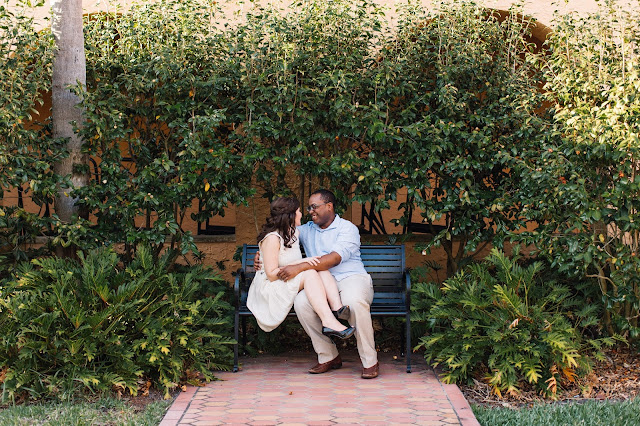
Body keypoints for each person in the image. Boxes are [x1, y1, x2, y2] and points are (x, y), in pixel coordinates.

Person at [257, 189, 379, 379]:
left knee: (354, 303)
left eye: (314, 207)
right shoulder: (306, 229)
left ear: (329, 206)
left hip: (350, 278)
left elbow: (334, 259)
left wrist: (300, 267)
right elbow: (277, 237)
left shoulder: (347, 228)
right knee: (301, 304)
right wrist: (260, 257)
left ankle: (370, 360)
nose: (310, 211)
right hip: (319, 282)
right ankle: (329, 356)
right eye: (308, 208)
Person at [246, 197, 355, 340]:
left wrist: (303, 263)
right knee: (310, 272)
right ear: (290, 215)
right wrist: (302, 263)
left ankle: (337, 309)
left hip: (285, 279)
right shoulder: (272, 238)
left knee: (318, 266)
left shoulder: (294, 232)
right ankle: (328, 321)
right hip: (270, 287)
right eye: (298, 211)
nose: (302, 214)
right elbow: (272, 275)